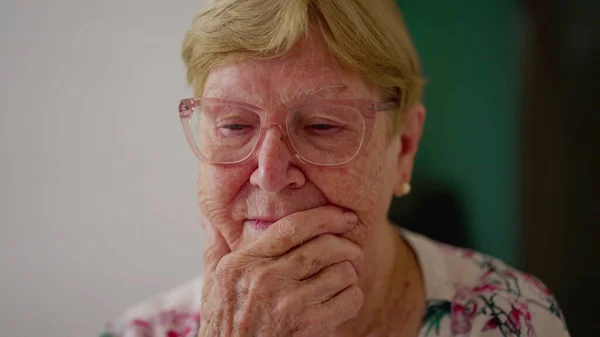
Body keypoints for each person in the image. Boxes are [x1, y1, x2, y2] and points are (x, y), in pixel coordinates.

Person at [100, 0, 570, 336]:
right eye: (235, 124)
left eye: (322, 126)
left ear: (403, 146)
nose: (268, 172)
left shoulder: (513, 317)